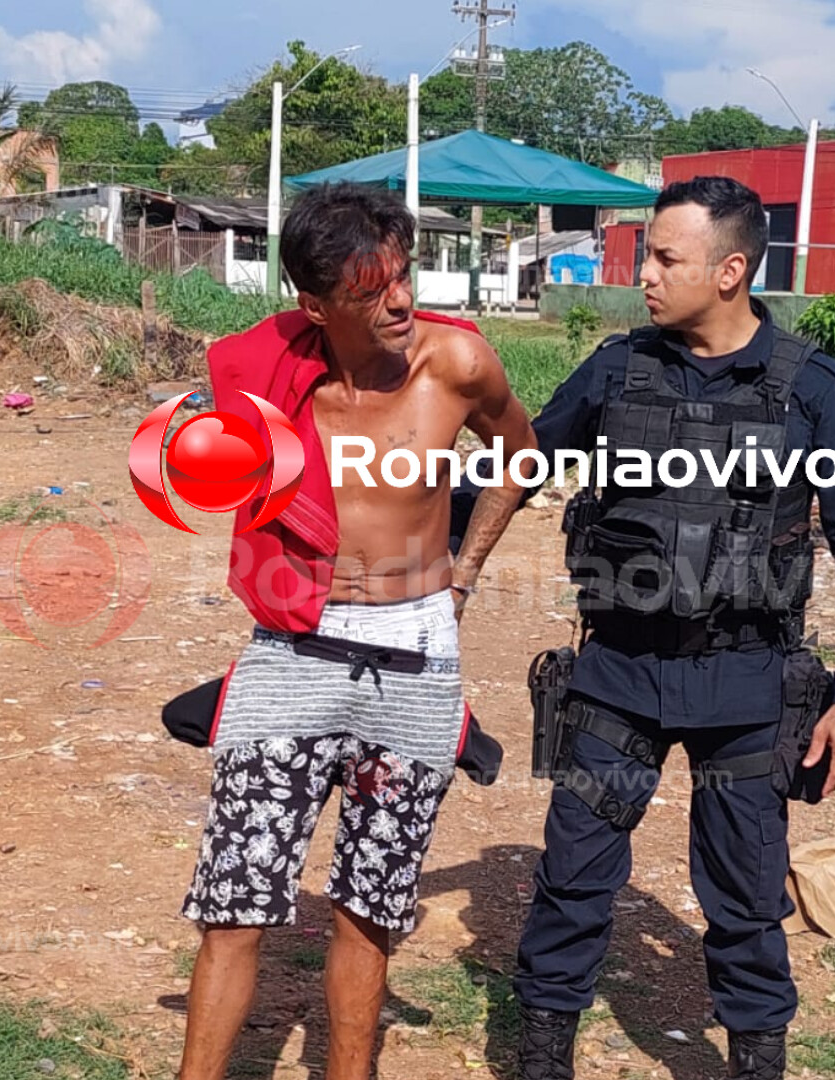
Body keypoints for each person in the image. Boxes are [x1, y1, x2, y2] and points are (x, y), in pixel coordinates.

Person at [455, 175, 835, 1080]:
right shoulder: (618, 370)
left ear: (731, 270)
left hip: (746, 685)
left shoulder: (811, 389)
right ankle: (540, 1061)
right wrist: (433, 555)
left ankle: (755, 1062)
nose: (646, 276)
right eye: (646, 256)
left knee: (743, 898)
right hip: (618, 674)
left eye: (666, 258)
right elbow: (521, 465)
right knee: (573, 884)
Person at [174, 182, 538, 1080]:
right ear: (314, 301)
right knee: (235, 900)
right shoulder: (267, 388)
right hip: (292, 651)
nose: (402, 302)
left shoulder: (454, 366)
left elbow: (521, 456)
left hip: (414, 658)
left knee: (371, 905)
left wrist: (466, 569)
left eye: (405, 277)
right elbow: (201, 467)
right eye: (371, 290)